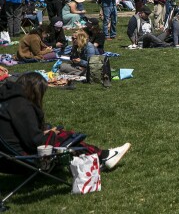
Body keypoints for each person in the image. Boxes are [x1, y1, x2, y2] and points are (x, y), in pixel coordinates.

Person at [0, 72, 130, 168]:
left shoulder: (8, 101)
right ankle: (104, 156)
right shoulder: (21, 106)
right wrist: (51, 133)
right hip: (21, 158)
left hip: (6, 156)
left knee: (55, 132)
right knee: (66, 137)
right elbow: (34, 142)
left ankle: (101, 156)